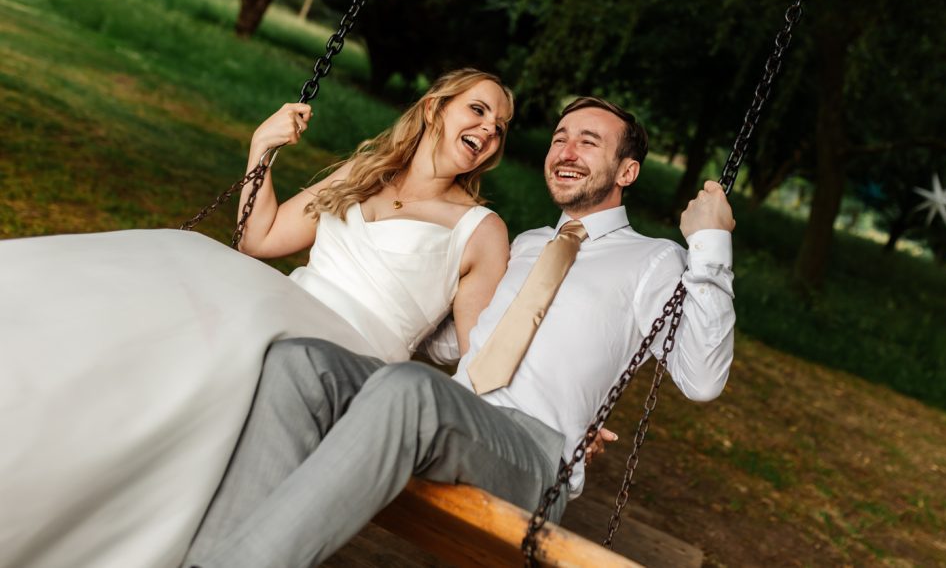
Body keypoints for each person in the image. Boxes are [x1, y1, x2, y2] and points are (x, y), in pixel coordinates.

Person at [184, 96, 737, 568]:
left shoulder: (655, 261)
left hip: (531, 453)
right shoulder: (522, 246)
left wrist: (710, 245)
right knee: (298, 364)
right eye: (560, 138)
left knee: (408, 390)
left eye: (589, 142)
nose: (565, 152)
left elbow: (703, 377)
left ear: (627, 171)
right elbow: (449, 337)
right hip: (454, 415)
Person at [0, 69, 514, 568]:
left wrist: (522, 414)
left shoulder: (480, 229)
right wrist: (261, 149)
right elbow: (260, 237)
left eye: (501, 125)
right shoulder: (366, 173)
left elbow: (480, 352)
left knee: (215, 316)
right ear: (434, 108)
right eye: (478, 108)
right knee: (175, 263)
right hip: (286, 306)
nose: (489, 128)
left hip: (346, 356)